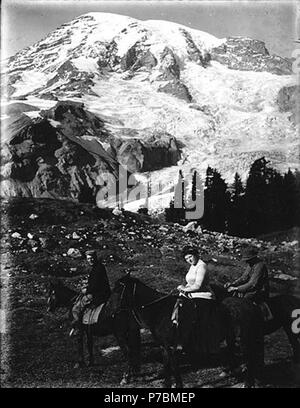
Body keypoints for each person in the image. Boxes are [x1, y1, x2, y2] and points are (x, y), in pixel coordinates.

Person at [173, 246, 222, 355]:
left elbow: (198, 285)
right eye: (186, 259)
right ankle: (181, 341)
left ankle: (198, 345)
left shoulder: (201, 266)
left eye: (190, 257)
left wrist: (185, 289)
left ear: (196, 255)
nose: (189, 260)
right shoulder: (192, 266)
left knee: (194, 316)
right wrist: (183, 286)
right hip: (191, 294)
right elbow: (190, 282)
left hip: (203, 295)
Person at [70, 250, 111, 336]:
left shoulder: (97, 268)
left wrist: (86, 290)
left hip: (98, 294)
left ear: (95, 258)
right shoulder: (98, 267)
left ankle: (79, 328)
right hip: (101, 292)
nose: (90, 260)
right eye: (88, 259)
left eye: (92, 258)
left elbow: (96, 285)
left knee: (76, 308)